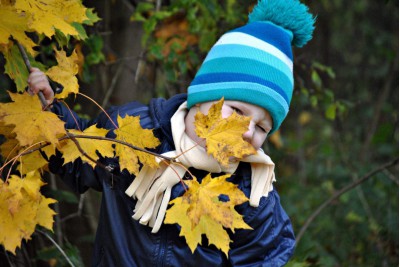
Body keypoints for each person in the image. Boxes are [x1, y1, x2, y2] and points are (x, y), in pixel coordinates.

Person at [28, 0, 315, 265]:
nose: (248, 131)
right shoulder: (136, 131)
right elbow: (77, 157)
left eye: (263, 127)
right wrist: (49, 110)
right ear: (202, 98)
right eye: (238, 112)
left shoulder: (252, 196)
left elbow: (263, 256)